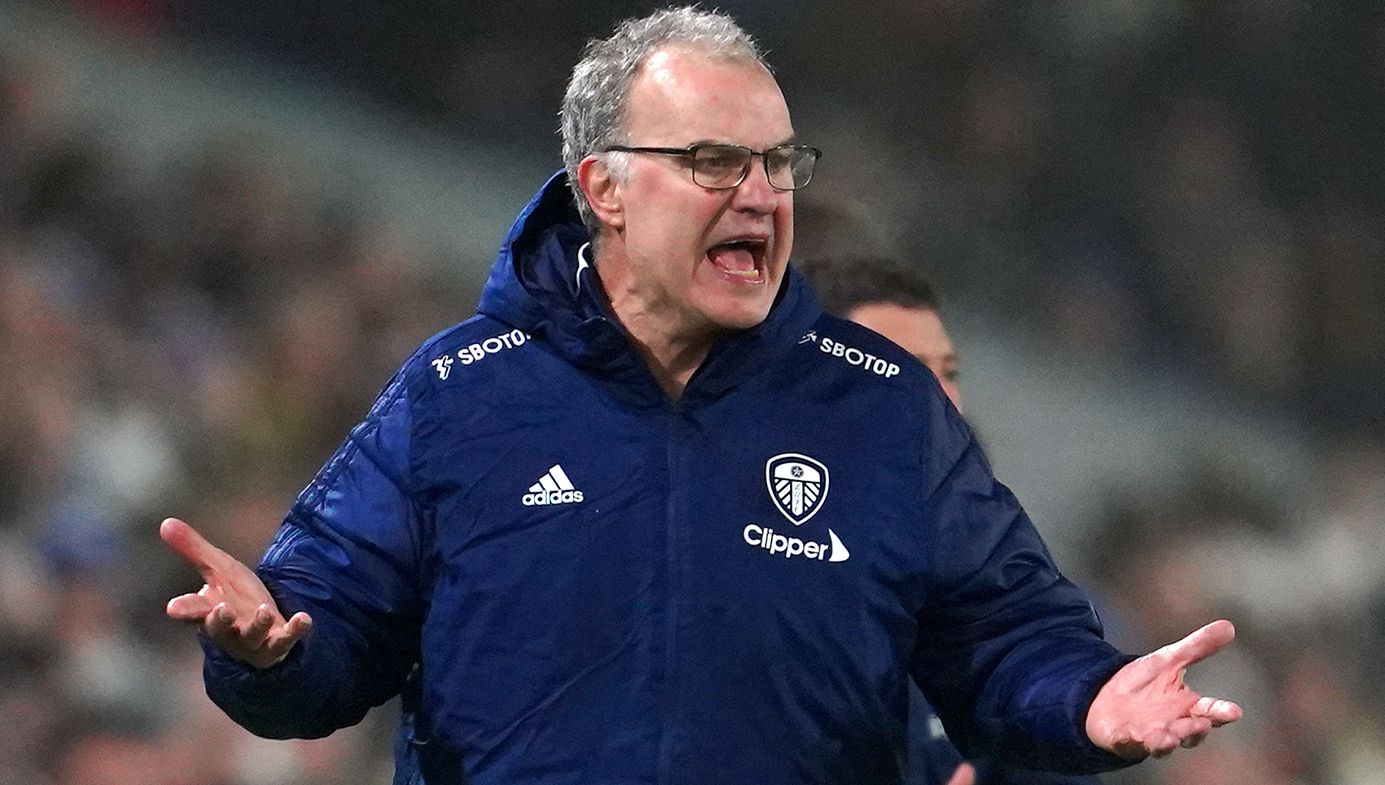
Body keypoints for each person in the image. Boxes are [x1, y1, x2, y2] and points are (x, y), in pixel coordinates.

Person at [161, 8, 1242, 785]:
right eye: (717, 162)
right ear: (605, 187)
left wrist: (1088, 698)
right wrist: (267, 650)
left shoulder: (881, 410)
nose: (762, 196)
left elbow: (1003, 635)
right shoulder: (462, 392)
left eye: (779, 164)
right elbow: (323, 626)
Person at [801, 254, 1108, 785]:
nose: (943, 400)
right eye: (906, 368)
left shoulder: (978, 604)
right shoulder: (739, 578)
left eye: (949, 372)